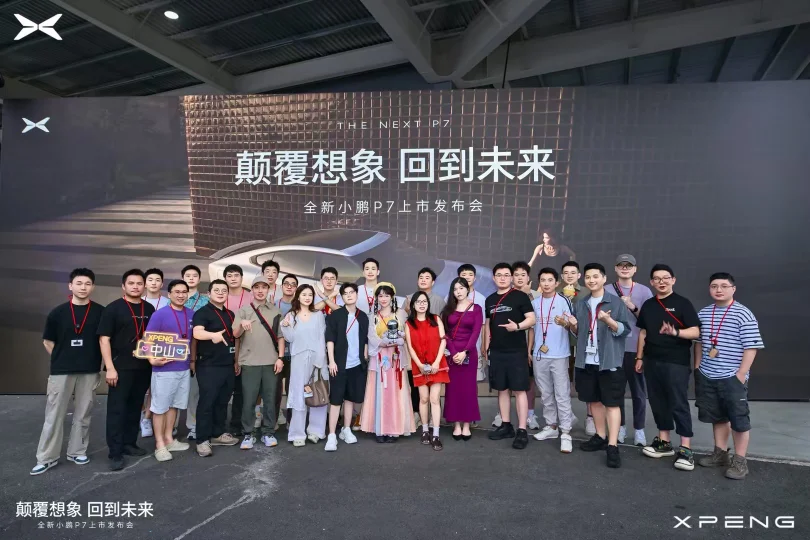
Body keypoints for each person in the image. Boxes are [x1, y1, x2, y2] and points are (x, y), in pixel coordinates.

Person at [31, 268, 104, 475]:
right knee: (54, 414)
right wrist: (63, 358)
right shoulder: (58, 313)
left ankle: (77, 451)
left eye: (87, 284)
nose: (83, 287)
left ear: (93, 287)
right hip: (61, 371)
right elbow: (48, 342)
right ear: (70, 286)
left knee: (83, 412)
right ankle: (46, 457)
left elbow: (104, 340)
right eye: (79, 283)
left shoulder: (100, 312)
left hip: (89, 370)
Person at [695, 273, 763, 480]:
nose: (719, 290)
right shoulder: (704, 313)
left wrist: (740, 375)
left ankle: (740, 461)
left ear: (733, 289)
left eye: (724, 286)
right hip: (708, 374)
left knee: (738, 420)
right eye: (714, 286)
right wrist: (697, 366)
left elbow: (751, 347)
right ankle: (720, 454)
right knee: (717, 417)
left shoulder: (743, 314)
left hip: (731, 377)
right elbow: (698, 342)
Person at [562, 263, 631, 467]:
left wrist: (609, 321)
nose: (591, 280)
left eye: (595, 276)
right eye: (588, 277)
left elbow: (625, 331)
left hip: (608, 361)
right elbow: (580, 334)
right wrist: (572, 325)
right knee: (594, 401)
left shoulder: (615, 303)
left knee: (612, 403)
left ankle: (612, 445)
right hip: (586, 361)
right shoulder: (582, 303)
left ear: (604, 278)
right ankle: (600, 436)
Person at [636, 264, 701, 471]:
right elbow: (643, 333)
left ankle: (686, 448)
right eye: (657, 278)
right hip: (651, 361)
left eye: (665, 278)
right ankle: (664, 443)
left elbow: (696, 332)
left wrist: (676, 333)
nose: (661, 282)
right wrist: (639, 357)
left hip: (676, 362)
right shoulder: (648, 305)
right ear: (651, 282)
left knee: (678, 402)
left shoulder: (682, 303)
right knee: (658, 401)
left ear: (673, 280)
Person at [98, 269, 156, 471]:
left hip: (143, 366)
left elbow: (152, 337)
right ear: (123, 286)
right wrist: (110, 368)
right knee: (117, 409)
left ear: (144, 286)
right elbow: (104, 339)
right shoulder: (113, 308)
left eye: (139, 283)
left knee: (135, 406)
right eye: (131, 283)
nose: (136, 287)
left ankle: (130, 443)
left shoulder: (149, 308)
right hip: (120, 367)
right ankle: (115, 452)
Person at [604, 254, 654, 447]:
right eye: (621, 265)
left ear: (635, 269)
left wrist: (632, 306)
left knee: (638, 392)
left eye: (629, 265)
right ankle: (620, 427)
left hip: (636, 349)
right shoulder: (607, 289)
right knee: (616, 391)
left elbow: (650, 319)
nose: (625, 268)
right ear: (616, 269)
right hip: (613, 348)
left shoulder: (644, 291)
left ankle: (639, 429)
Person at [485, 263, 536, 450]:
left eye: (506, 275)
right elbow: (488, 325)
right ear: (494, 278)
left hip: (516, 351)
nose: (503, 278)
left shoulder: (520, 296)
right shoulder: (490, 299)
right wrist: (486, 347)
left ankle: (522, 430)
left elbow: (532, 319)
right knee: (502, 389)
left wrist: (517, 327)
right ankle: (506, 426)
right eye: (499, 275)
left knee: (519, 390)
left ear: (511, 278)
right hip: (497, 352)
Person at [142, 279, 193, 462]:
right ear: (169, 294)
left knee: (174, 405)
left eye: (184, 292)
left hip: (183, 368)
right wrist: (151, 359)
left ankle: (169, 439)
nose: (181, 295)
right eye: (177, 292)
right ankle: (159, 444)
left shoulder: (191, 313)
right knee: (160, 407)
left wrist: (192, 361)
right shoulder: (160, 315)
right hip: (164, 369)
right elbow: (147, 339)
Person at [232, 276, 284, 450]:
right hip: (250, 362)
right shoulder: (244, 311)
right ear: (252, 290)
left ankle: (268, 432)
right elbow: (235, 335)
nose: (260, 290)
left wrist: (280, 358)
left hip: (271, 362)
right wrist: (242, 324)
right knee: (248, 400)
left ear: (268, 290)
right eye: (257, 287)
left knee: (270, 399)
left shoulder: (276, 311)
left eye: (264, 287)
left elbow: (280, 337)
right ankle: (248, 433)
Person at [527, 268, 575, 453]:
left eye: (550, 280)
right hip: (540, 354)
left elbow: (573, 325)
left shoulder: (564, 301)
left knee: (562, 393)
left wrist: (566, 323)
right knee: (546, 393)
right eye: (543, 280)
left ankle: (566, 432)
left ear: (557, 283)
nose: (546, 283)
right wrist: (530, 350)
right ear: (539, 283)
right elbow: (532, 328)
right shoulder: (535, 303)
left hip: (559, 354)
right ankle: (551, 426)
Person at [360, 283, 416, 442]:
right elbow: (371, 336)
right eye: (380, 295)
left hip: (396, 358)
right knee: (379, 392)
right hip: (379, 357)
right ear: (376, 298)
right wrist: (383, 343)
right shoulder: (373, 316)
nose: (383, 298)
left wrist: (399, 339)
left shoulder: (401, 314)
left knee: (396, 393)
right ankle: (380, 429)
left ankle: (394, 429)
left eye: (386, 295)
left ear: (392, 297)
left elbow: (406, 334)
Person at [191, 280, 240, 457]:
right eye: (216, 290)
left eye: (224, 290)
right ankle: (202, 440)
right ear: (209, 293)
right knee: (207, 402)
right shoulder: (202, 312)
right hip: (209, 365)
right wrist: (212, 335)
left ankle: (217, 434)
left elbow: (235, 338)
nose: (220, 293)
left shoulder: (230, 314)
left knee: (222, 401)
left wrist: (236, 361)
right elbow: (197, 333)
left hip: (227, 364)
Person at [280, 285, 329, 446]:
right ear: (298, 296)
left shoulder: (318, 314)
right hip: (299, 359)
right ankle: (297, 434)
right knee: (299, 394)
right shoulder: (291, 315)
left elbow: (322, 337)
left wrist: (320, 359)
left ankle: (316, 431)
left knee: (317, 391)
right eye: (304, 294)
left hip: (317, 358)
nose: (307, 297)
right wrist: (285, 326)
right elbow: (290, 338)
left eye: (310, 295)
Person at [324, 283, 369, 452]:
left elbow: (365, 340)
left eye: (352, 292)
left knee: (350, 399)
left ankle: (346, 429)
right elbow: (330, 339)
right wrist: (331, 361)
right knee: (336, 400)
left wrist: (364, 357)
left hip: (356, 365)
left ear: (357, 294)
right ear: (341, 297)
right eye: (345, 293)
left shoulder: (363, 316)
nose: (349, 295)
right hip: (339, 364)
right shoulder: (335, 315)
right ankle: (331, 435)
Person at [405, 291, 449, 451]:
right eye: (418, 302)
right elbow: (410, 347)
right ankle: (425, 431)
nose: (422, 304)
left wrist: (436, 362)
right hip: (419, 365)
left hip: (437, 363)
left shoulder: (436, 319)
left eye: (424, 301)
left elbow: (443, 341)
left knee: (434, 398)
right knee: (423, 398)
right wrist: (419, 365)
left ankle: (436, 434)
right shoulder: (409, 323)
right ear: (413, 305)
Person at [441, 277, 483, 440]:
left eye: (461, 288)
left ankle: (466, 424)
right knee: (453, 390)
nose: (458, 292)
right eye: (455, 289)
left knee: (468, 390)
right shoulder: (448, 309)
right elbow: (445, 333)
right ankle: (456, 424)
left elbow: (476, 332)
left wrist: (465, 351)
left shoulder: (476, 308)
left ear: (468, 289)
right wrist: (453, 352)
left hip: (469, 354)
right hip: (452, 354)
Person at [404, 267, 447, 427]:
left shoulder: (439, 301)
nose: (423, 280)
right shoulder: (409, 299)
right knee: (420, 394)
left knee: (434, 396)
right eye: (421, 277)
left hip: (435, 353)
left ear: (433, 281)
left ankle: (434, 423)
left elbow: (442, 333)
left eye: (427, 277)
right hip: (417, 354)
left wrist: (437, 360)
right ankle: (420, 418)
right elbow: (406, 323)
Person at [506, 261, 540, 430]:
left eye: (523, 275)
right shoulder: (505, 294)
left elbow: (535, 319)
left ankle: (530, 415)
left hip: (530, 344)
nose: (519, 278)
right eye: (516, 275)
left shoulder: (537, 295)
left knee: (529, 382)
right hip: (508, 344)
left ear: (528, 277)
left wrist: (527, 295)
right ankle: (503, 414)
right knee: (506, 381)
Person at [558, 261, 590, 433]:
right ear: (562, 276)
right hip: (563, 342)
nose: (569, 275)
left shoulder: (587, 291)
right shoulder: (556, 292)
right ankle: (567, 415)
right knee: (563, 381)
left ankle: (590, 417)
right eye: (566, 273)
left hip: (583, 343)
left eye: (573, 272)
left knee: (586, 380)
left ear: (579, 275)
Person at [223, 264, 252, 436]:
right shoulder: (220, 295)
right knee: (223, 389)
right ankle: (219, 425)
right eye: (229, 275)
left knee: (241, 390)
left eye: (236, 275)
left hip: (245, 348)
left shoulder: (250, 297)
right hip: (221, 347)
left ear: (242, 278)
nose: (233, 278)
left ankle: (236, 424)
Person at [181, 264, 209, 442]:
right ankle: (170, 427)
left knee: (195, 392)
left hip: (198, 351)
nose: (191, 278)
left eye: (194, 276)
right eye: (187, 275)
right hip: (177, 351)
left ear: (199, 279)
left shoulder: (206, 301)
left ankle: (194, 426)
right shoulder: (174, 299)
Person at [139, 267, 168, 438]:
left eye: (157, 280)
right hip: (140, 349)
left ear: (162, 283)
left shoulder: (167, 302)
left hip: (161, 349)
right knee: (139, 386)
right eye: (150, 280)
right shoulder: (138, 301)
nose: (154, 283)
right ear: (145, 283)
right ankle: (140, 413)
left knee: (155, 388)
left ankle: (147, 418)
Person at [456, 264, 488, 397]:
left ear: (475, 278)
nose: (467, 277)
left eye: (470, 274)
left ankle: (471, 407)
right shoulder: (451, 297)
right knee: (457, 379)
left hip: (475, 346)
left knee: (473, 381)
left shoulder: (481, 298)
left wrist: (483, 345)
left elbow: (484, 325)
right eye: (463, 275)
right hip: (457, 346)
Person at [273, 274, 297, 429]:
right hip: (276, 354)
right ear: (281, 286)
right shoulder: (274, 305)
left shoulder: (300, 306)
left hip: (294, 354)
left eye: (293, 284)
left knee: (292, 390)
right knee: (274, 390)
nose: (289, 286)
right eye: (286, 283)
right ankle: (273, 420)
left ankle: (291, 421)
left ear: (296, 288)